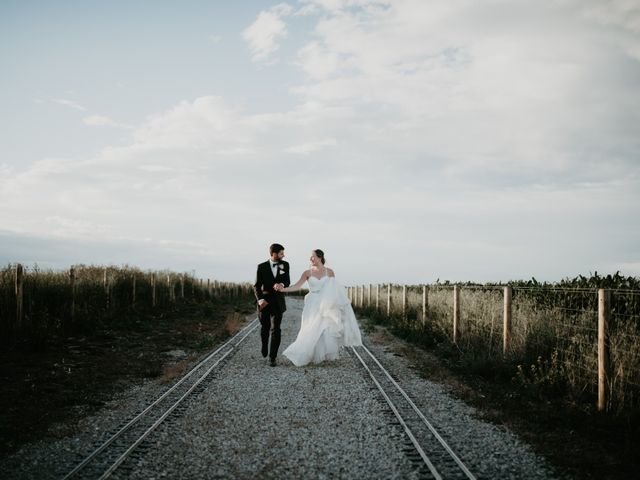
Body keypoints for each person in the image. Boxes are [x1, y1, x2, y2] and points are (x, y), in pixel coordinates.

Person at [277, 249, 362, 366]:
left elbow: (334, 289)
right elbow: (297, 286)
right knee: (310, 329)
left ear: (320, 257)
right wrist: (283, 289)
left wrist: (337, 305)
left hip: (326, 304)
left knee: (325, 329)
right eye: (310, 257)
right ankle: (306, 353)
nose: (310, 259)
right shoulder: (307, 273)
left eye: (313, 257)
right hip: (312, 304)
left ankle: (322, 355)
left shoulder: (330, 272)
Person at [253, 243, 291, 366]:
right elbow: (257, 285)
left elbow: (287, 280)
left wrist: (282, 285)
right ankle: (264, 345)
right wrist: (259, 299)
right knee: (265, 328)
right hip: (264, 302)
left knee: (276, 329)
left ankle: (272, 357)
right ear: (273, 253)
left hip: (278, 301)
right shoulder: (261, 266)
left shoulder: (285, 265)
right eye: (281, 253)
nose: (283, 255)